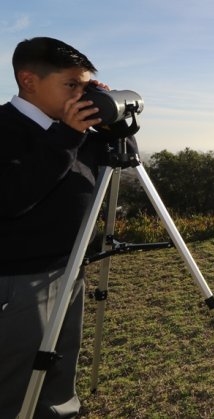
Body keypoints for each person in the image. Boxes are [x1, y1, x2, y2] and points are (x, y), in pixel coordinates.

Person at [0, 37, 136, 418]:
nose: (81, 94)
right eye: (72, 85)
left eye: (87, 86)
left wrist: (114, 124)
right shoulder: (9, 129)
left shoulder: (73, 130)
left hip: (70, 267)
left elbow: (125, 159)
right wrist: (68, 137)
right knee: (17, 378)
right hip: (18, 280)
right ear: (29, 80)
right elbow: (12, 198)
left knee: (59, 367)